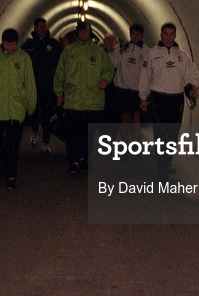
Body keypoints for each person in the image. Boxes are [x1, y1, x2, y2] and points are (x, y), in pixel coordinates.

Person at [0, 28, 37, 190]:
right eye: (7, 44)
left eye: (13, 45)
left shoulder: (23, 59)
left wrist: (31, 106)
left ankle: (11, 174)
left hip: (15, 109)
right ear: (2, 43)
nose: (10, 48)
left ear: (17, 44)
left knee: (12, 144)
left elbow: (30, 83)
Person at [138, 22, 199, 177]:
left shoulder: (182, 55)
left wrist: (193, 85)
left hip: (176, 98)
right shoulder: (152, 53)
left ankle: (167, 161)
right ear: (161, 34)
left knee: (173, 133)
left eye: (172, 34)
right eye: (166, 33)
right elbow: (145, 76)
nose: (168, 37)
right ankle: (161, 165)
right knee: (160, 132)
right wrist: (143, 97)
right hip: (158, 98)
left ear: (175, 35)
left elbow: (192, 73)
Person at [53, 21, 115, 176]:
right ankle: (73, 161)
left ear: (90, 32)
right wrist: (59, 97)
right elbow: (59, 75)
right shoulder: (68, 52)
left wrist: (104, 80)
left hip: (93, 102)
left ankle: (85, 159)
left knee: (89, 134)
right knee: (73, 133)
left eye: (86, 31)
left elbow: (109, 69)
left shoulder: (99, 52)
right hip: (73, 101)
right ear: (77, 33)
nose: (83, 34)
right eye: (80, 31)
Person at [21, 17, 62, 153]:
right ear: (35, 28)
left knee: (48, 114)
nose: (42, 29)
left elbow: (60, 64)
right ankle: (35, 129)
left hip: (49, 86)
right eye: (40, 27)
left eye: (44, 27)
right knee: (33, 111)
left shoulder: (54, 45)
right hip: (32, 86)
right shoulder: (28, 45)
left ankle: (45, 141)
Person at [105, 23, 149, 139]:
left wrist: (145, 94)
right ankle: (125, 146)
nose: (135, 36)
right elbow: (112, 63)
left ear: (142, 35)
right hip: (122, 89)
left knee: (136, 118)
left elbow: (147, 73)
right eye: (133, 33)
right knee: (125, 118)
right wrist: (120, 52)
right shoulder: (122, 47)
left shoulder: (146, 51)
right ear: (130, 34)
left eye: (138, 34)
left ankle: (135, 148)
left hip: (136, 90)